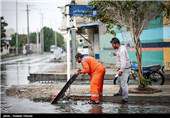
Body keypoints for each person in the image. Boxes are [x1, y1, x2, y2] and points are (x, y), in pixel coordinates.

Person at [110, 37, 131, 103]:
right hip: (121, 69)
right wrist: (115, 54)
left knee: (124, 84)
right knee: (120, 81)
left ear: (116, 44)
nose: (112, 46)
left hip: (124, 69)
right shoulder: (120, 48)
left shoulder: (121, 50)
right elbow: (120, 57)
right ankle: (120, 92)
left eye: (113, 44)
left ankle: (125, 98)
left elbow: (123, 61)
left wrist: (121, 70)